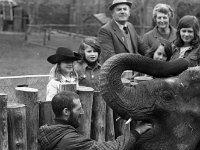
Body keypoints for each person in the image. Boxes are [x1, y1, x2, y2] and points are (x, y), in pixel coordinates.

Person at [38, 91, 152, 150]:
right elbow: (111, 149)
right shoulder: (70, 141)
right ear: (66, 112)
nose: (82, 112)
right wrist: (137, 131)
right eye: (78, 109)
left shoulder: (50, 134)